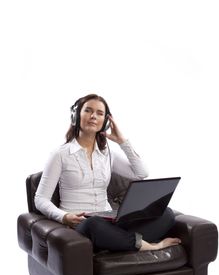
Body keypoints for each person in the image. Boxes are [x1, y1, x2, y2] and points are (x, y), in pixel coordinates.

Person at [35, 93, 181, 252]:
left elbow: (141, 173)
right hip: (82, 225)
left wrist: (122, 141)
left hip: (110, 222)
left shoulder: (108, 154)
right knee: (94, 223)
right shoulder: (60, 154)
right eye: (88, 111)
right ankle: (150, 246)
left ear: (105, 122)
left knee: (166, 214)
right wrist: (64, 217)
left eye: (99, 113)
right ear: (76, 116)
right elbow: (41, 199)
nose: (93, 116)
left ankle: (118, 241)